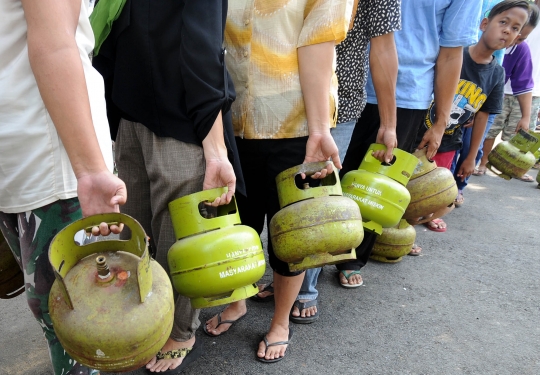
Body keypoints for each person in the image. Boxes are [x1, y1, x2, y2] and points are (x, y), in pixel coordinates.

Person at [92, 1, 245, 373]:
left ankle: (179, 329)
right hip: (132, 109)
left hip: (181, 118)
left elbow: (203, 48)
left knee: (177, 237)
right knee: (138, 231)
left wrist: (216, 149)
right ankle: (147, 321)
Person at [203, 0, 353, 363]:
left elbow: (318, 45)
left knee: (292, 235)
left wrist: (318, 131)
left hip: (295, 125)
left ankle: (281, 321)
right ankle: (238, 303)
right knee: (239, 226)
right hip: (231, 121)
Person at [245, 0, 401, 323]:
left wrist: (388, 123)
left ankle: (303, 293)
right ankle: (280, 285)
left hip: (332, 106)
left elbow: (383, 47)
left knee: (310, 212)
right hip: (263, 103)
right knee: (264, 209)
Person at [0, 0, 126, 374]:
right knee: (78, 323)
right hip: (50, 155)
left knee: (64, 319)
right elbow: (54, 42)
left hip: (31, 151)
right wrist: (90, 169)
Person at [335, 0, 482, 278]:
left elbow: (451, 53)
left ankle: (352, 259)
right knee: (330, 176)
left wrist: (441, 122)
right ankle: (307, 267)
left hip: (407, 92)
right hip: (345, 78)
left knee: (376, 188)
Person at [421, 0, 531, 230]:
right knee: (408, 175)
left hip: (451, 139)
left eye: (515, 28)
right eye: (503, 22)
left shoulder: (497, 74)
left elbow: (483, 116)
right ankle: (403, 220)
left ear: (518, 38)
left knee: (434, 186)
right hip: (422, 129)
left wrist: (472, 157)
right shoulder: (454, 55)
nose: (507, 30)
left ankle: (422, 216)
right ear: (483, 23)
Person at [476, 3, 540, 182]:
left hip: (503, 94)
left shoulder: (521, 49)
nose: (513, 37)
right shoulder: (483, 41)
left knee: (506, 133)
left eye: (519, 35)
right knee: (487, 133)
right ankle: (481, 162)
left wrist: (526, 116)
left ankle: (510, 167)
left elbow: (524, 82)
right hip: (481, 95)